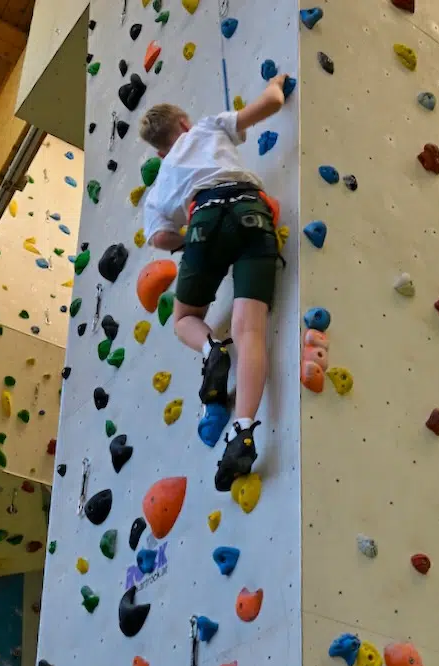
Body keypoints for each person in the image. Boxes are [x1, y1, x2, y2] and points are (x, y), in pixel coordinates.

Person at [139, 75, 289, 491]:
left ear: (160, 150)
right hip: (252, 213)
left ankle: (211, 349)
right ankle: (243, 431)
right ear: (183, 125)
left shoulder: (160, 184)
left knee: (185, 316)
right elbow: (270, 102)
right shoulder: (206, 126)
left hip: (202, 218)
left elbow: (159, 237)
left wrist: (190, 235)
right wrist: (277, 82)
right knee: (251, 330)